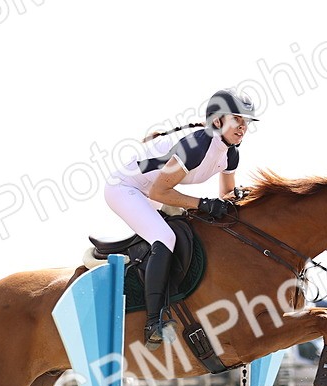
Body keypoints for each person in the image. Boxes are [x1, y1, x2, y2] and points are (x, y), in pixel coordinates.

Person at [104, 88, 258, 349]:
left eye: (246, 123)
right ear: (218, 120)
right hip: (125, 188)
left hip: (149, 191)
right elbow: (159, 191)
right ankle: (154, 322)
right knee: (165, 236)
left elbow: (226, 194)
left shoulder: (231, 152)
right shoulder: (196, 146)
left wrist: (249, 197)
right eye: (237, 120)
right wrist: (202, 203)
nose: (243, 128)